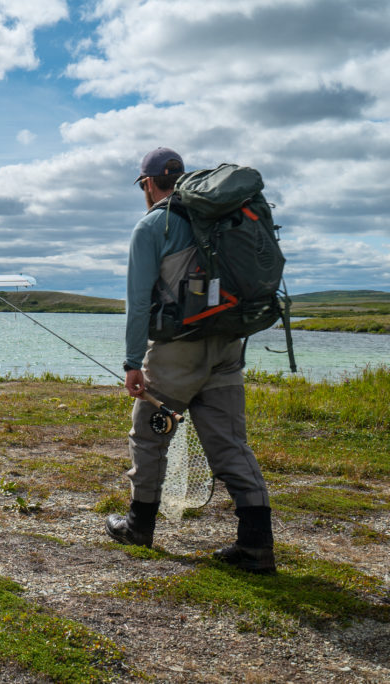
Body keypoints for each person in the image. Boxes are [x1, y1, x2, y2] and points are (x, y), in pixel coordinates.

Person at [106, 147, 276, 574]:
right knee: (230, 444)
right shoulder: (221, 218)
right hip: (227, 345)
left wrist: (131, 363)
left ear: (147, 184)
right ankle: (256, 546)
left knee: (149, 436)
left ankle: (138, 525)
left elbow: (138, 304)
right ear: (180, 178)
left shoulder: (152, 226)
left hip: (177, 352)